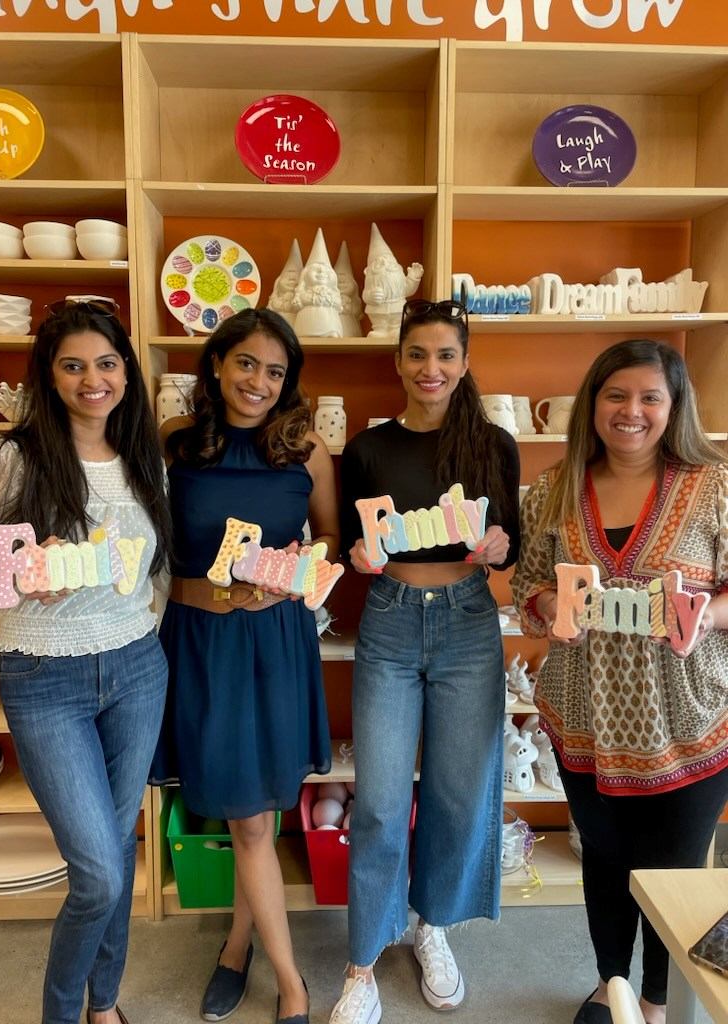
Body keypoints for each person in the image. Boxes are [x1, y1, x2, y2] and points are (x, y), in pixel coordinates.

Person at [0, 299, 172, 1024]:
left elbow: (153, 573)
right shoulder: (9, 456)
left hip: (138, 670)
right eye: (73, 366)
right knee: (99, 873)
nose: (93, 380)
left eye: (107, 364)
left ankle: (103, 1004)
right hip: (44, 674)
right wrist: (17, 578)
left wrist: (153, 624)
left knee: (115, 851)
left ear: (127, 373)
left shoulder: (144, 459)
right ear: (48, 376)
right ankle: (60, 1012)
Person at [511, 339, 728, 1024]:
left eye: (649, 397)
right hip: (586, 719)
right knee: (604, 858)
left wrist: (704, 615)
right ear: (593, 403)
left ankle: (657, 1003)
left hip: (690, 722)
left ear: (674, 406)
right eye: (616, 395)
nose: (631, 411)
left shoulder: (714, 486)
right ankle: (613, 985)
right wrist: (552, 606)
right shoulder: (553, 489)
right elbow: (527, 588)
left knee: (672, 874)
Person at [330, 297, 521, 1024]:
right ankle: (362, 960)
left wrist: (499, 546)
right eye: (417, 354)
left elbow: (511, 539)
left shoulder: (493, 445)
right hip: (391, 619)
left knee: (458, 792)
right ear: (398, 361)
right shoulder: (367, 449)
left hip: (469, 620)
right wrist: (358, 557)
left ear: (464, 364)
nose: (430, 368)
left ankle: (430, 926)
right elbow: (356, 544)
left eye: (445, 355)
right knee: (380, 802)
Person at [149, 307, 338, 1024]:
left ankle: (273, 972)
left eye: (275, 371)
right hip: (200, 640)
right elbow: (144, 541)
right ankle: (253, 955)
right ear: (217, 364)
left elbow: (329, 534)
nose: (259, 381)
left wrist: (299, 567)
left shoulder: (307, 450)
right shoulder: (175, 443)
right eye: (246, 363)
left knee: (254, 818)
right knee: (243, 814)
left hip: (276, 643)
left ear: (289, 382)